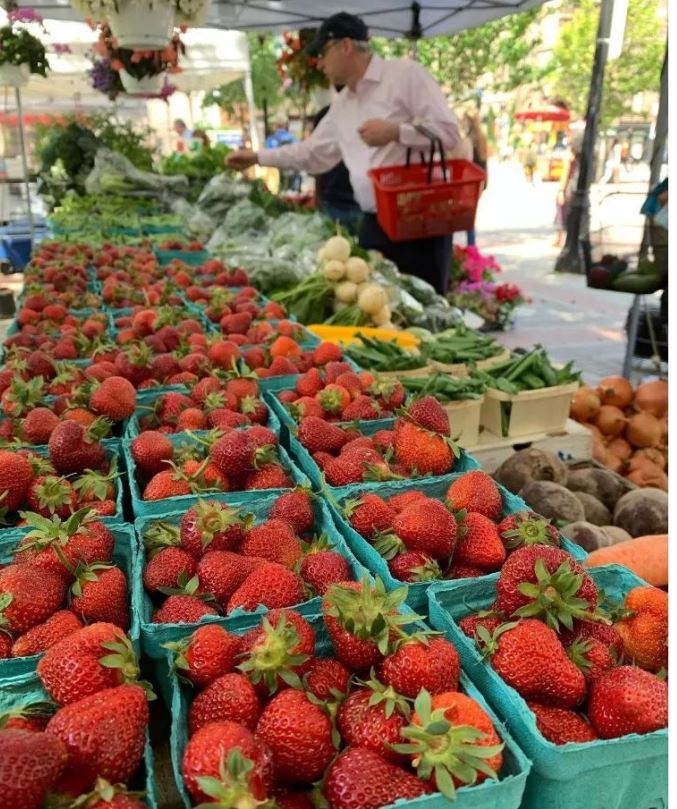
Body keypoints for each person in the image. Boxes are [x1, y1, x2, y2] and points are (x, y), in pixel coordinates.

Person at [227, 11, 461, 294]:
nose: (319, 63)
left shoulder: (404, 75)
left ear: (346, 46)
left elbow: (448, 133)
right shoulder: (343, 104)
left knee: (429, 310)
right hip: (375, 223)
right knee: (378, 311)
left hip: (420, 221)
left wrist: (396, 131)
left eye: (323, 53)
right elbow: (312, 154)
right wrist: (257, 158)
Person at [310, 90, 361, 233]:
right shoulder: (324, 116)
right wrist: (318, 197)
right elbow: (315, 157)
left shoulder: (363, 114)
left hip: (361, 204)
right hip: (333, 202)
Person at [463, 111, 488, 247]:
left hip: (471, 179)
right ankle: (471, 244)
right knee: (470, 214)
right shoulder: (482, 137)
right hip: (480, 178)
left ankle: (471, 245)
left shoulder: (469, 139)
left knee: (468, 215)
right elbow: (484, 162)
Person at [554, 134, 582, 247]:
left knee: (561, 212)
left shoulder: (569, 157)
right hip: (576, 188)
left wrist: (560, 190)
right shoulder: (581, 157)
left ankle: (560, 240)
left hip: (568, 188)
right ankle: (564, 240)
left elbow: (565, 174)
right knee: (570, 214)